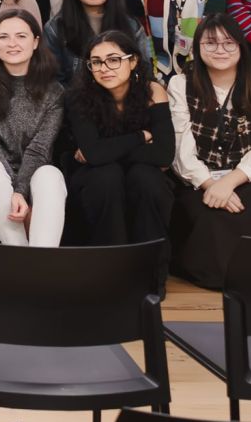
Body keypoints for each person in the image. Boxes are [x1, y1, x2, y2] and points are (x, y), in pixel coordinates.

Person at [167, 14, 251, 289]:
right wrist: (209, 184)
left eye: (229, 43)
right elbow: (180, 151)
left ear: (241, 47)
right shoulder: (180, 85)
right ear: (197, 48)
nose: (220, 51)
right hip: (199, 182)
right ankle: (222, 274)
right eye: (211, 43)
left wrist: (230, 182)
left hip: (246, 178)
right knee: (209, 211)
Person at [64, 29, 173, 276]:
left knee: (146, 178)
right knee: (108, 176)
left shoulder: (153, 91)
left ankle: (151, 273)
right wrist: (140, 137)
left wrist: (105, 151)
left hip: (138, 172)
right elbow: (94, 157)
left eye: (114, 59)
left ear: (133, 60)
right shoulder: (78, 97)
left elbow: (164, 155)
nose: (105, 68)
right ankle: (108, 270)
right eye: (96, 62)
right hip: (93, 178)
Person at [0, 8, 66, 248]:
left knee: (51, 174)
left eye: (21, 36)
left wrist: (21, 190)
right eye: (3, 37)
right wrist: (15, 193)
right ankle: (19, 257)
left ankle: (41, 264)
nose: (12, 43)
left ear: (36, 41)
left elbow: (40, 150)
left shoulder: (54, 92)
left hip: (28, 182)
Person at [46, 0, 145, 84]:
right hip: (75, 101)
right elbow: (54, 82)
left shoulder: (132, 26)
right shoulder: (55, 28)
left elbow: (144, 73)